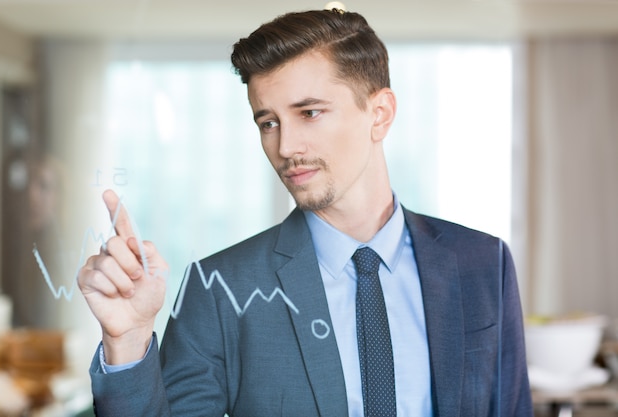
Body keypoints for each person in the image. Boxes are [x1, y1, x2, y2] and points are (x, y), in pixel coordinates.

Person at [78, 8, 532, 417]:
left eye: (310, 113)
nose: (285, 147)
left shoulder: (483, 264)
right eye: (268, 122)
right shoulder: (219, 290)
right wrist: (129, 339)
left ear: (380, 114)